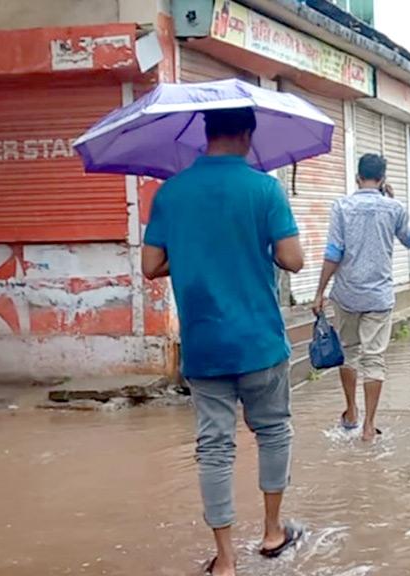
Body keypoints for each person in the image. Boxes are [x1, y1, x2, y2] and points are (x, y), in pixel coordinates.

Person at [142, 107, 306, 575]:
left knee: (214, 446)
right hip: (259, 342)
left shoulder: (170, 193)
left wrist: (195, 255)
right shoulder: (264, 188)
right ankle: (273, 532)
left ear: (205, 134)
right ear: (248, 135)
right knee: (273, 431)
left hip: (204, 344)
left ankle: (227, 561)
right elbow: (292, 259)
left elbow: (151, 266)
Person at [312, 154, 410, 442]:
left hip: (347, 294)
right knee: (375, 358)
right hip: (379, 296)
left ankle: (351, 412)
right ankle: (370, 426)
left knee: (348, 352)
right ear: (382, 179)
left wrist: (319, 291)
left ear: (358, 177)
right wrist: (396, 206)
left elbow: (333, 253)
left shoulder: (342, 207)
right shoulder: (394, 208)